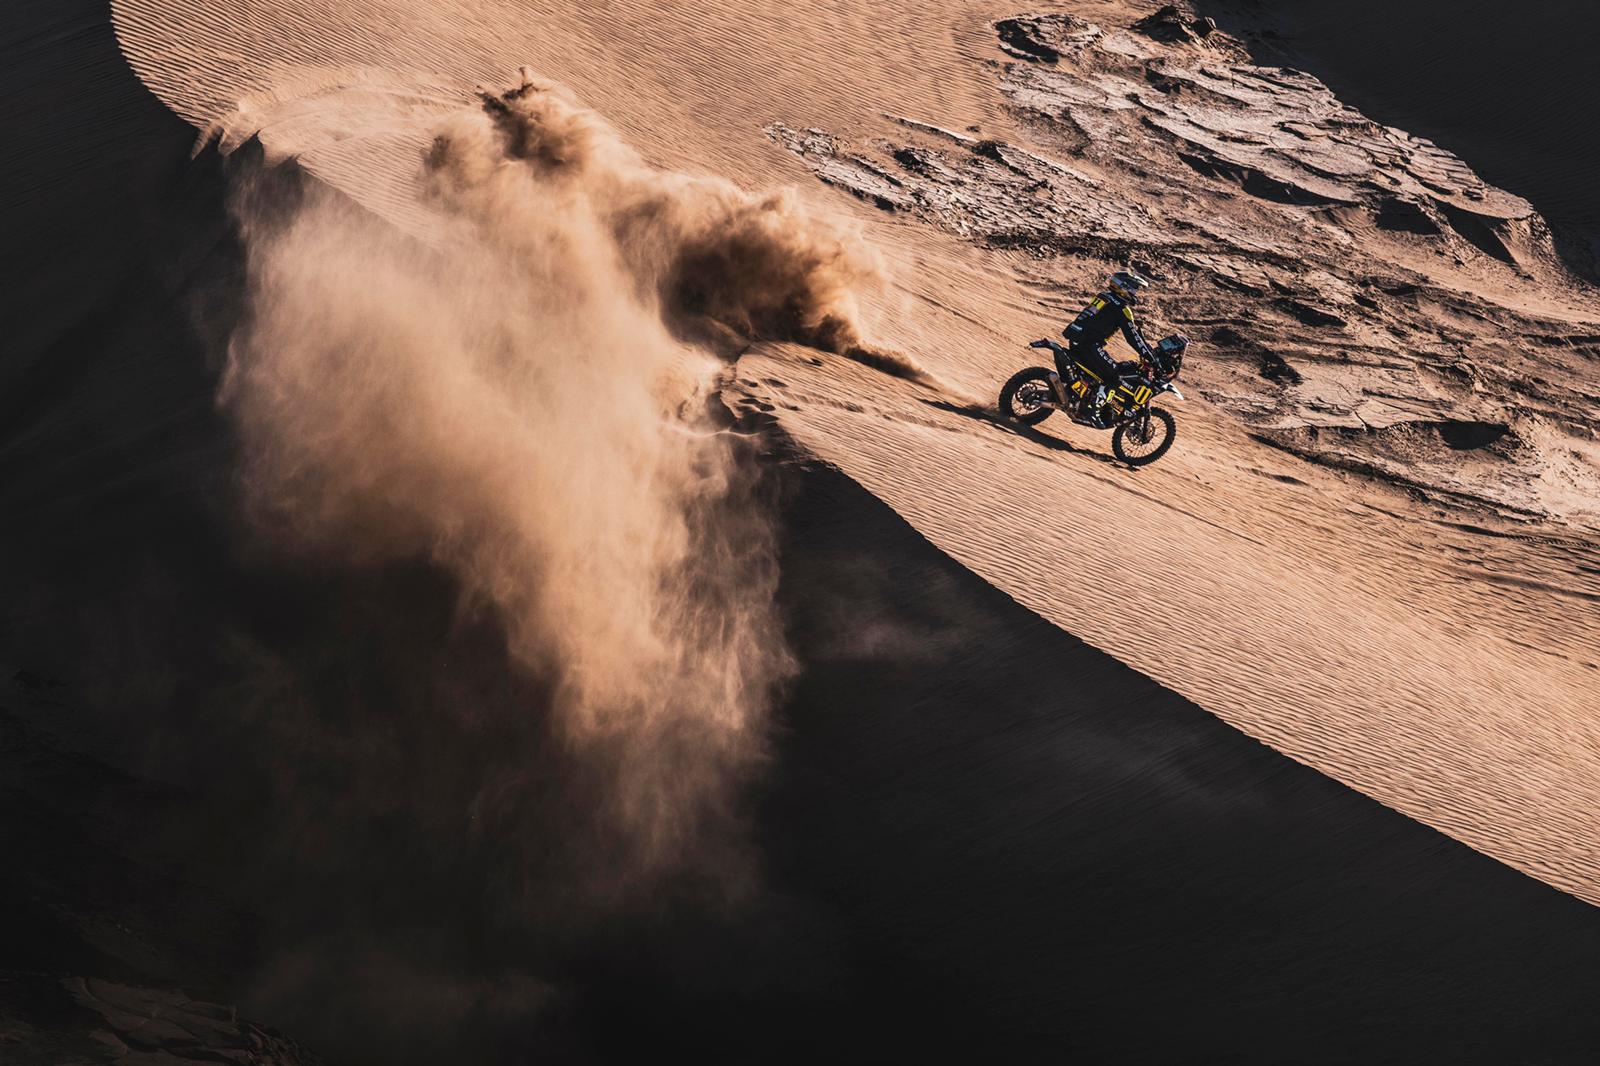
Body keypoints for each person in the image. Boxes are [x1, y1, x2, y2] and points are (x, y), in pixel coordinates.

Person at [1057, 270, 1156, 422]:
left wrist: (1146, 347)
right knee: (1115, 376)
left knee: (1097, 374)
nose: (1135, 292)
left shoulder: (1104, 297)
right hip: (1090, 345)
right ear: (1124, 287)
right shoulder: (1122, 309)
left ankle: (1079, 397)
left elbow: (1135, 334)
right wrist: (1149, 356)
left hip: (1076, 338)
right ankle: (1093, 412)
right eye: (1134, 288)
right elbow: (1132, 337)